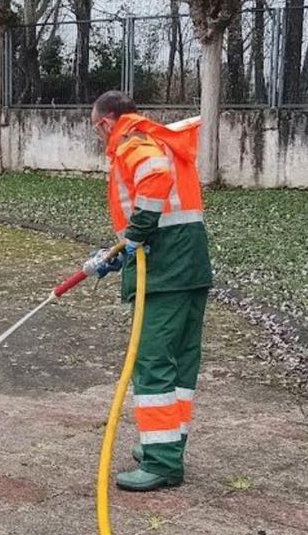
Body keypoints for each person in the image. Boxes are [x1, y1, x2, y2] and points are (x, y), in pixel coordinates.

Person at [85, 91, 213, 491]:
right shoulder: (159, 140)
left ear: (106, 122)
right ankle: (167, 446)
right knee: (180, 361)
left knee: (154, 362)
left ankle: (161, 463)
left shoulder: (134, 143)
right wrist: (118, 254)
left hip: (166, 273)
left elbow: (154, 177)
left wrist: (136, 235)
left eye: (96, 129)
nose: (99, 137)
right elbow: (165, 209)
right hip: (188, 267)